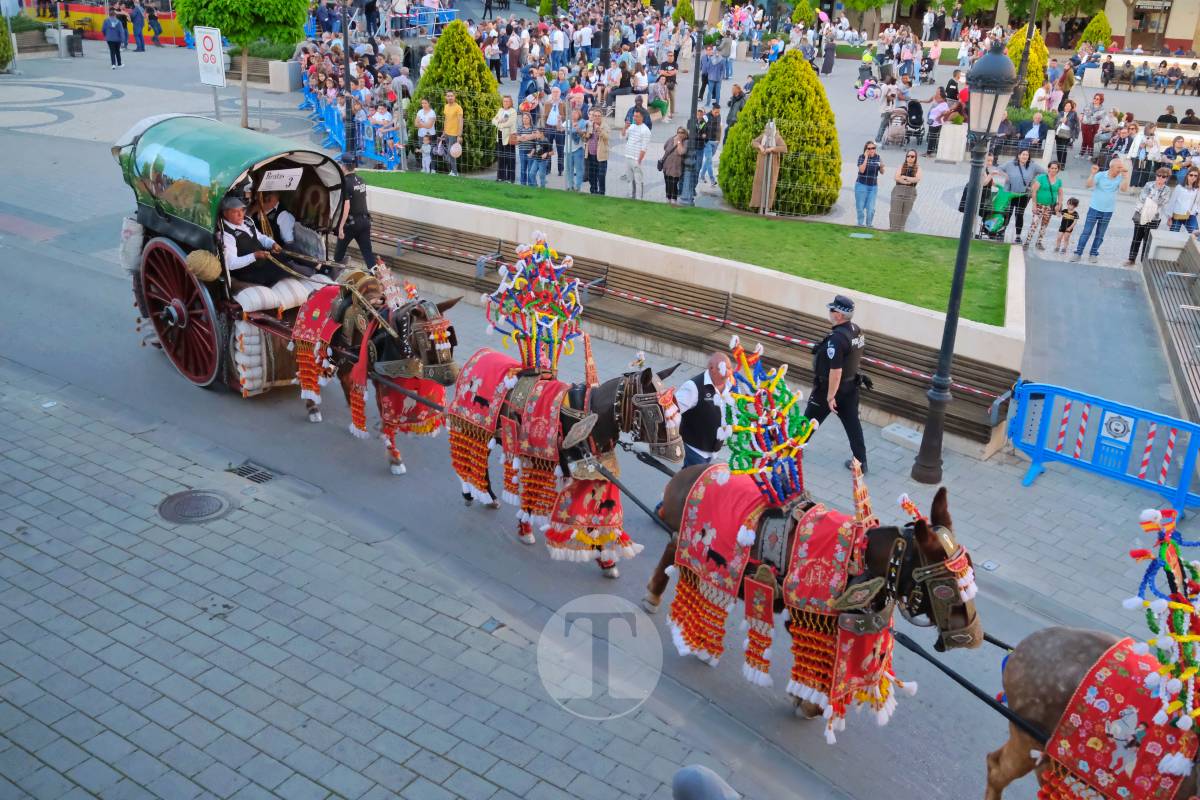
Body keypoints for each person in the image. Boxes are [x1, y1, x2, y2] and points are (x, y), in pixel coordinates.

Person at [804, 295, 869, 472]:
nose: (830, 312)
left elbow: (836, 370)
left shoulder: (837, 339)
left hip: (830, 389)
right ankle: (861, 463)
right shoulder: (857, 331)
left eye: (832, 309)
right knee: (853, 425)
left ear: (839, 315)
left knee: (809, 419)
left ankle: (793, 449)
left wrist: (830, 396)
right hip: (850, 387)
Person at [674, 353, 735, 468]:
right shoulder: (693, 387)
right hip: (694, 450)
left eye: (729, 368)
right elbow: (672, 411)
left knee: (697, 478)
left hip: (712, 450)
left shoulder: (730, 385)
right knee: (694, 479)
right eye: (723, 368)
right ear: (711, 369)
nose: (728, 373)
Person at [220, 196, 292, 287]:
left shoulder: (247, 221)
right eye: (235, 212)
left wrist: (272, 243)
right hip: (248, 271)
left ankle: (309, 266)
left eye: (242, 210)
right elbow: (231, 264)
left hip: (262, 261)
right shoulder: (226, 234)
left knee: (291, 250)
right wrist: (254, 255)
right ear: (225, 213)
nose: (240, 214)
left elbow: (259, 237)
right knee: (286, 268)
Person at [1072, 158, 1130, 263]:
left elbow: (1124, 189)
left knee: (1100, 234)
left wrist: (1126, 178)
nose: (1120, 169)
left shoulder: (1120, 177)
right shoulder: (1100, 175)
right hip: (1094, 209)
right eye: (1119, 167)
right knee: (1086, 232)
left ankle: (1093, 254)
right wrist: (1092, 174)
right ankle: (1078, 253)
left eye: (1121, 167)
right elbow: (1088, 185)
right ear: (1111, 167)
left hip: (1108, 211)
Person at [333, 155, 377, 269]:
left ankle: (335, 274)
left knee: (338, 254)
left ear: (344, 166)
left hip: (351, 224)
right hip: (365, 221)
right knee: (368, 253)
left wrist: (340, 227)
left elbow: (346, 207)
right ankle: (377, 276)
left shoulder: (345, 183)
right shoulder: (361, 181)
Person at [1126, 168, 1173, 266]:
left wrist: (1151, 198)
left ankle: (1144, 261)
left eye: (1163, 176)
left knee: (1147, 241)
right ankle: (1131, 259)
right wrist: (1154, 199)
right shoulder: (1148, 184)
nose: (1160, 178)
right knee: (1136, 238)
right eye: (1158, 175)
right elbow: (1143, 198)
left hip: (1154, 217)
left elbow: (1162, 201)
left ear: (1167, 178)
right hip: (1141, 214)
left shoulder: (1167, 189)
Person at [998, 148, 1045, 244]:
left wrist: (1035, 182)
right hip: (1010, 194)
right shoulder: (1010, 164)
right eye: (1023, 154)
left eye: (1027, 155)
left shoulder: (1033, 165)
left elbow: (1045, 173)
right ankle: (1001, 232)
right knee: (1007, 213)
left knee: (1019, 215)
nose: (1025, 156)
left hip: (1023, 195)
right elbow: (998, 169)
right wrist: (1004, 175)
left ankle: (1018, 236)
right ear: (1019, 155)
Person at [1024, 162, 1063, 252]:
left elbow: (1060, 193)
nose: (1054, 170)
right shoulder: (1041, 178)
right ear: (1048, 168)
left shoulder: (1059, 181)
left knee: (1044, 225)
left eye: (1056, 168)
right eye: (1052, 168)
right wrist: (1034, 205)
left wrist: (1059, 204)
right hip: (1039, 205)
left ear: (1058, 169)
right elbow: (1034, 191)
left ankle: (1039, 242)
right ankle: (1027, 242)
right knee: (1034, 224)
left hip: (1050, 207)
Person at [889, 150, 921, 231]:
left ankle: (900, 231)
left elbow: (917, 179)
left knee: (905, 214)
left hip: (910, 193)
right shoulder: (901, 166)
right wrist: (907, 181)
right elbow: (896, 178)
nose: (910, 158)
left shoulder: (918, 168)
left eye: (912, 156)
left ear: (915, 158)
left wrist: (905, 177)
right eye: (908, 156)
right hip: (898, 191)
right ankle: (893, 230)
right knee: (895, 213)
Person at [854, 141, 883, 227]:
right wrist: (866, 157)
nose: (871, 150)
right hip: (861, 185)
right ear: (866, 150)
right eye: (869, 148)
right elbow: (862, 170)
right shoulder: (861, 157)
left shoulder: (878, 158)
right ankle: (860, 224)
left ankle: (869, 225)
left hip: (873, 187)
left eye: (873, 148)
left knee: (871, 208)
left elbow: (882, 172)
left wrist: (882, 166)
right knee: (860, 207)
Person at [624, 108, 651, 199]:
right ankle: (630, 196)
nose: (634, 118)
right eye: (634, 116)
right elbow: (623, 137)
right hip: (628, 157)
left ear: (642, 117)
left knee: (638, 181)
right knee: (629, 179)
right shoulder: (631, 126)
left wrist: (639, 160)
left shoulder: (645, 130)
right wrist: (625, 128)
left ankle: (639, 199)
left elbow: (644, 148)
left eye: (637, 116)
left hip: (636, 159)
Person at [492, 96, 518, 184]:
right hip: (500, 136)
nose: (505, 103)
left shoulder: (513, 111)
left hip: (509, 137)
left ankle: (510, 179)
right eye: (504, 101)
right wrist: (499, 121)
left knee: (510, 158)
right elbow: (493, 120)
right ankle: (500, 177)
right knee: (501, 157)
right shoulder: (500, 110)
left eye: (507, 101)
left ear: (511, 102)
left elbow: (509, 123)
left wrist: (499, 123)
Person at [583, 107, 609, 195]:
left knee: (601, 176)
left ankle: (601, 193)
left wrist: (599, 130)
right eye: (595, 116)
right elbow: (585, 139)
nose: (597, 117)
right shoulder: (589, 125)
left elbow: (607, 138)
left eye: (599, 116)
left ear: (602, 117)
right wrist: (586, 135)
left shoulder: (605, 126)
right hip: (590, 155)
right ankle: (593, 191)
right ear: (593, 117)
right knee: (591, 175)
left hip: (601, 156)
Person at [1167, 167, 1200, 234]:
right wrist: (1169, 217)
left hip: (1190, 215)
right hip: (1177, 215)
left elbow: (1197, 202)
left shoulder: (1197, 189)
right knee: (1173, 235)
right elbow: (1172, 202)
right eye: (1191, 175)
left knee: (1196, 235)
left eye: (1195, 176)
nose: (1193, 177)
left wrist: (1196, 211)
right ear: (1187, 175)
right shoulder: (1179, 187)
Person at [661, 127, 688, 206]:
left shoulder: (686, 142)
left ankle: (674, 199)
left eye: (682, 132)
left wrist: (679, 142)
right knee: (667, 183)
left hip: (676, 166)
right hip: (667, 164)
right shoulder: (671, 139)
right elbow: (665, 147)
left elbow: (681, 152)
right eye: (678, 132)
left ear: (685, 134)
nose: (680, 134)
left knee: (674, 184)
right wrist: (673, 140)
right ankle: (668, 198)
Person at [565, 107, 587, 191]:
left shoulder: (583, 123)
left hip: (578, 149)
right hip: (568, 149)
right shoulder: (567, 122)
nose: (573, 115)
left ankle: (578, 187)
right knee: (569, 169)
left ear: (579, 114)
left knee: (579, 169)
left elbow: (583, 135)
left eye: (575, 113)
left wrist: (577, 128)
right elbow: (560, 129)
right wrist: (559, 122)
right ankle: (571, 186)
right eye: (572, 113)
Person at [442, 91, 463, 176]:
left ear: (454, 97)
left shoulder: (458, 108)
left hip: (454, 134)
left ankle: (455, 172)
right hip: (447, 133)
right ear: (446, 97)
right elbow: (446, 119)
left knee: (452, 153)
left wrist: (459, 135)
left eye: (451, 96)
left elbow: (461, 122)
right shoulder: (446, 106)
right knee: (449, 152)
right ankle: (451, 171)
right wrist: (444, 131)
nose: (450, 97)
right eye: (448, 96)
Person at [1055, 100, 1080, 169]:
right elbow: (1056, 122)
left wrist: (1066, 122)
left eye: (1069, 106)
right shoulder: (1061, 113)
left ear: (1071, 107)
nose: (1067, 107)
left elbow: (1075, 125)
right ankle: (1059, 163)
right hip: (1058, 133)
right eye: (1066, 106)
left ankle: (1062, 164)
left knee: (1063, 149)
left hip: (1067, 134)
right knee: (1058, 149)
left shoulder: (1073, 114)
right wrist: (1060, 121)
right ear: (1064, 106)